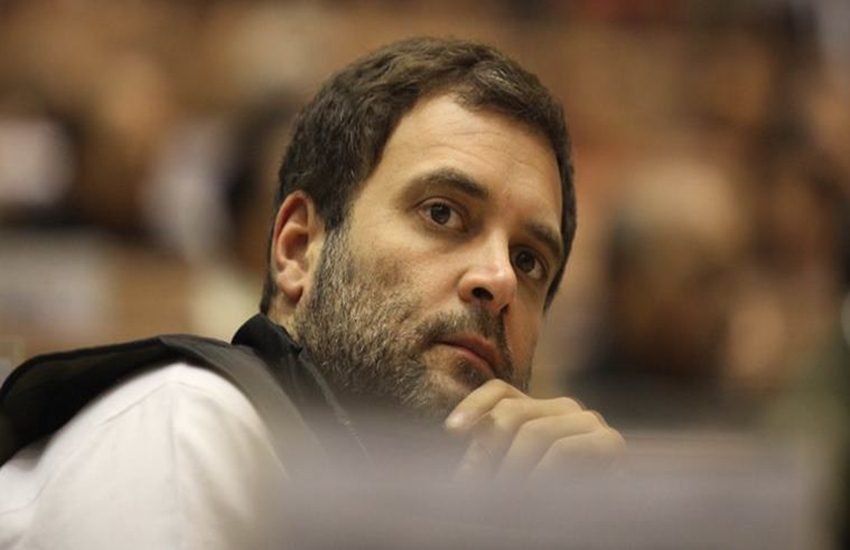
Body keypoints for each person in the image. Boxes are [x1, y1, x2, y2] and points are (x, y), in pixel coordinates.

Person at [0, 37, 623, 549]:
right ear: (299, 248)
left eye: (529, 260)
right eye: (442, 213)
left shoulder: (447, 508)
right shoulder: (189, 428)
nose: (500, 278)